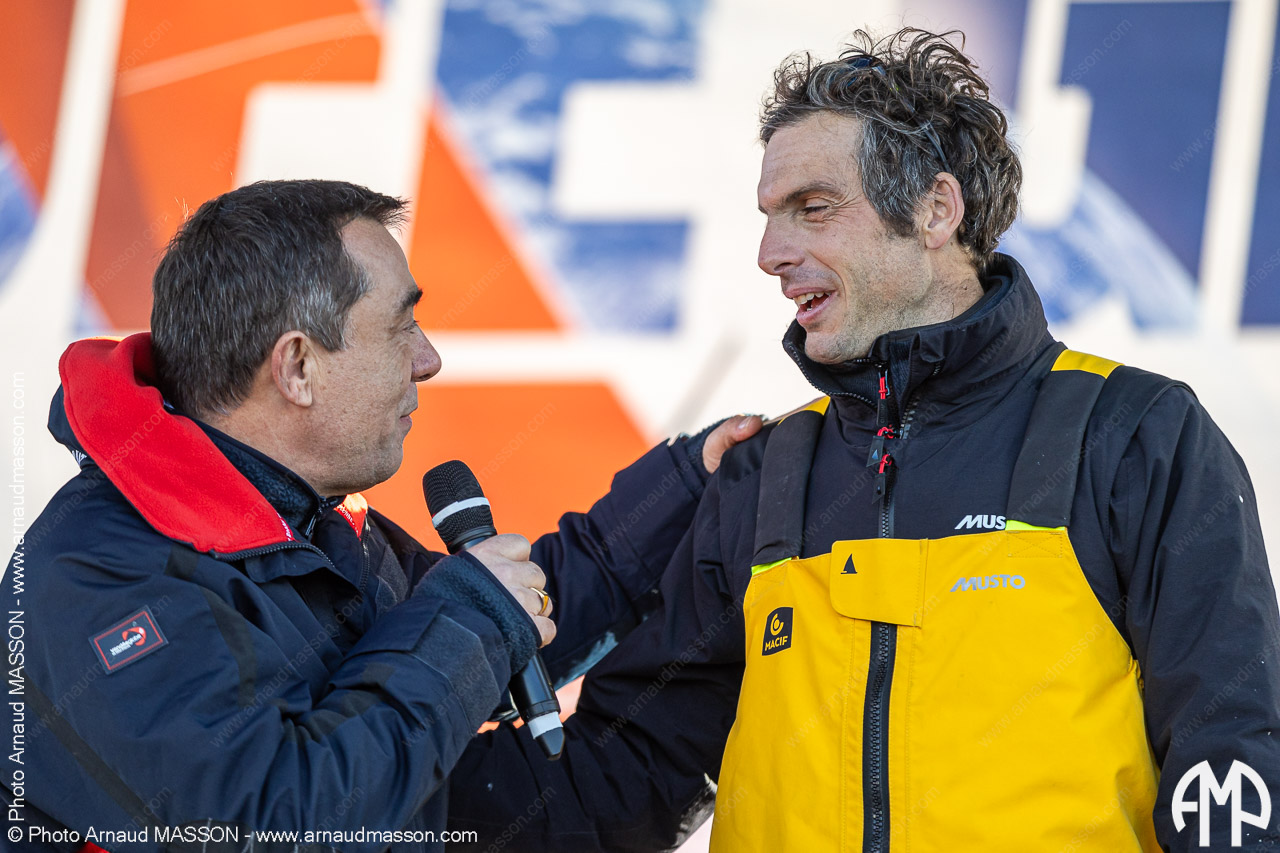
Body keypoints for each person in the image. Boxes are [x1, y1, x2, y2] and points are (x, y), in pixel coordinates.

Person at [445, 28, 1280, 851]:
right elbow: (624, 777)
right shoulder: (762, 475)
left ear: (935, 210)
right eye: (770, 217)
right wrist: (390, 797)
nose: (771, 253)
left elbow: (1231, 756)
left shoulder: (1135, 433)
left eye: (813, 208)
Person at [1, 179, 761, 852]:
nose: (429, 359)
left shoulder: (304, 523)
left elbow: (509, 617)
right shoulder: (95, 579)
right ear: (298, 367)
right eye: (402, 327)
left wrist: (688, 486)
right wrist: (476, 616)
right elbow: (279, 826)